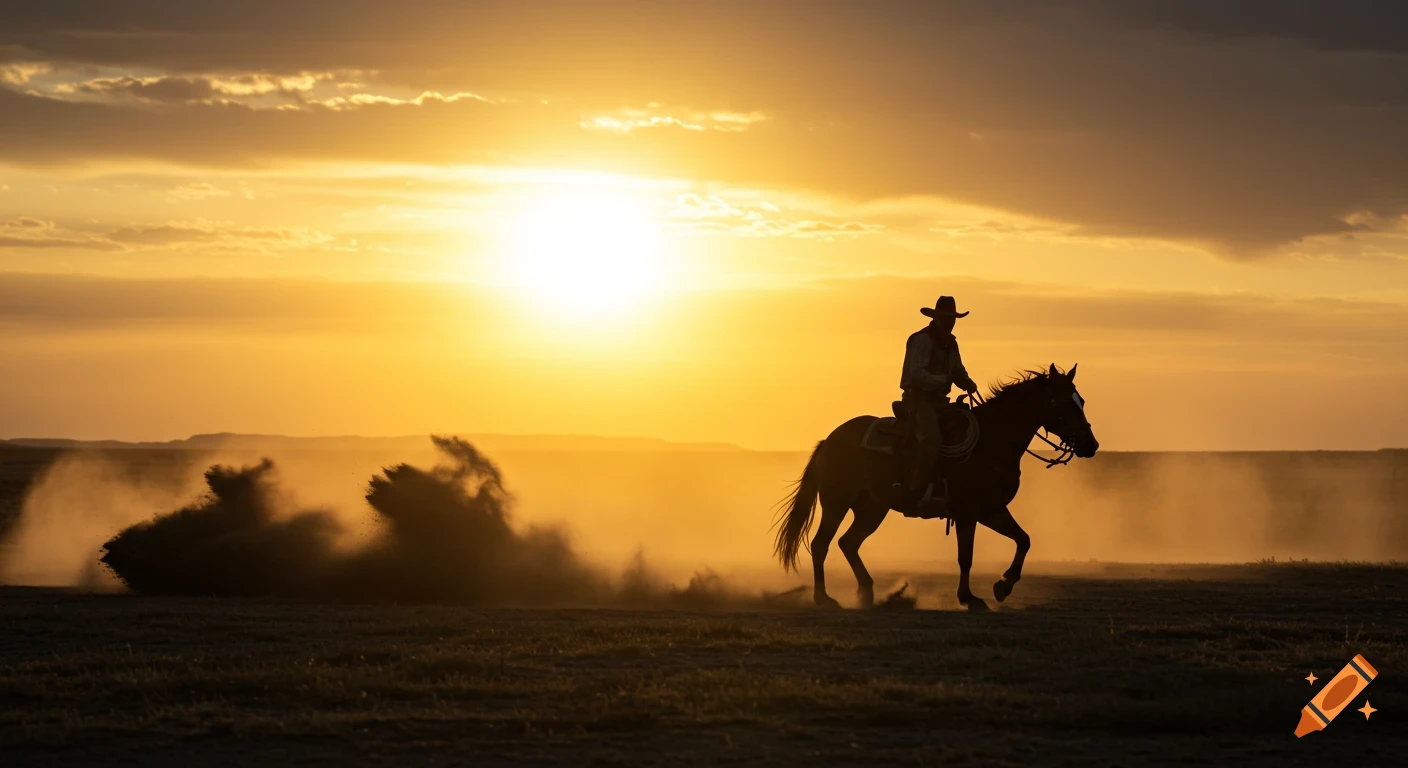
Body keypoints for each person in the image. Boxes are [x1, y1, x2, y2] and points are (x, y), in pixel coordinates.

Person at [898, 295, 978, 516]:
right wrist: (945, 380)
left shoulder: (951, 343)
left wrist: (967, 382)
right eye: (946, 317)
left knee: (966, 429)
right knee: (931, 438)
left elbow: (958, 371)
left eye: (953, 318)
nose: (950, 322)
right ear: (937, 317)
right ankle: (916, 491)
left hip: (940, 401)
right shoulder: (921, 340)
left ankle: (950, 486)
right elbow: (918, 374)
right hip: (918, 400)